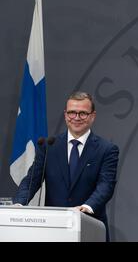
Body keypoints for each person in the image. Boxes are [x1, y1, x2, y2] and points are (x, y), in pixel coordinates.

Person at [13, 91, 119, 241]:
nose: (76, 118)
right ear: (65, 114)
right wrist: (19, 203)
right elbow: (32, 180)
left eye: (83, 113)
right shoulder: (49, 145)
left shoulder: (106, 149)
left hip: (90, 229)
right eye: (72, 113)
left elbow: (106, 185)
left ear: (92, 116)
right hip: (54, 230)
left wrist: (87, 207)